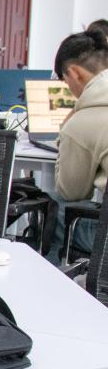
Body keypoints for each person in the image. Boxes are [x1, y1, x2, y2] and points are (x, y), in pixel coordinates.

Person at [45, 29, 108, 264]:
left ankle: (50, 277)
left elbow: (71, 191)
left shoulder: (82, 121)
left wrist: (65, 132)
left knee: (54, 208)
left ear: (74, 73)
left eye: (65, 81)